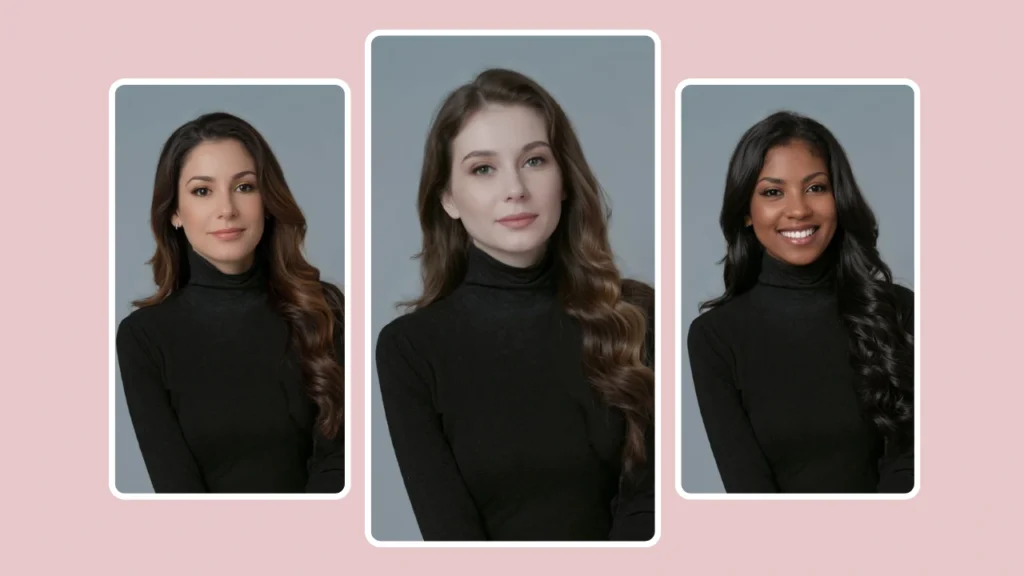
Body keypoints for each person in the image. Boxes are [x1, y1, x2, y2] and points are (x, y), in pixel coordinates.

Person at [375, 69, 655, 540]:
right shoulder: (411, 349)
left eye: (534, 161)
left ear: (564, 180)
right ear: (448, 198)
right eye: (483, 169)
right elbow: (450, 537)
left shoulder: (635, 315)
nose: (515, 189)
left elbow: (650, 505)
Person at [116, 112, 345, 494]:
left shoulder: (324, 310)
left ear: (267, 200)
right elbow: (176, 488)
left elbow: (340, 462)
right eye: (202, 191)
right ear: (174, 212)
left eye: (244, 187)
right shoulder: (144, 337)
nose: (227, 209)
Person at [687, 111, 914, 494]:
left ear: (839, 198)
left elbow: (915, 458)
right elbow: (748, 489)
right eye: (773, 192)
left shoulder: (899, 310)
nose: (798, 210)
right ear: (746, 212)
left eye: (816, 187)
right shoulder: (716, 337)